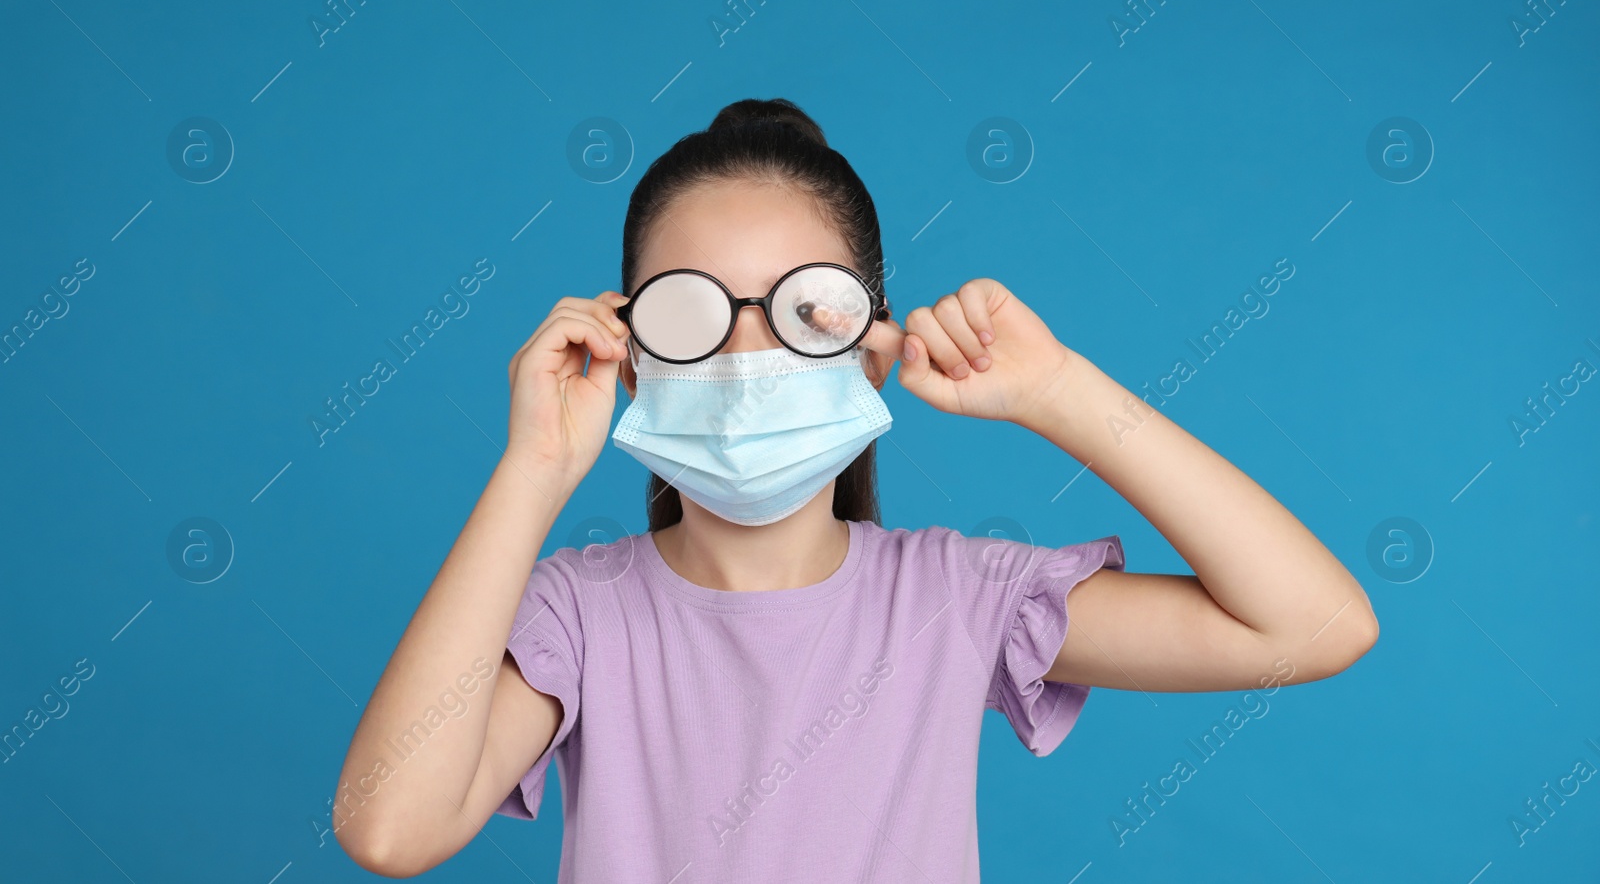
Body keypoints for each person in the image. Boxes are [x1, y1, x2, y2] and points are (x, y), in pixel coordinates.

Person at [332, 98, 1379, 880]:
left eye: (804, 312)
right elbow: (389, 827)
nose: (746, 352)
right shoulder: (580, 614)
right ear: (630, 356)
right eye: (692, 312)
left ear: (870, 356)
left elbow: (1313, 623)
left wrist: (1060, 390)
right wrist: (532, 469)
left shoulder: (954, 598)